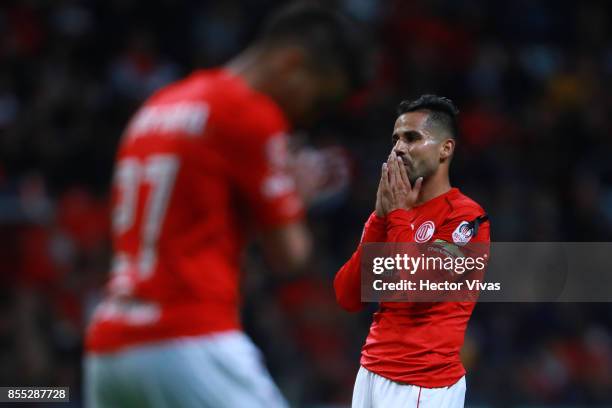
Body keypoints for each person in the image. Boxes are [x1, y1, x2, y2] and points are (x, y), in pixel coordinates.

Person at [84, 3, 370, 407]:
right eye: (318, 99)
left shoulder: (159, 105)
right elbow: (289, 256)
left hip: (110, 348)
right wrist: (297, 197)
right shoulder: (249, 113)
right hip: (188, 341)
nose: (307, 115)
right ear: (293, 64)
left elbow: (190, 227)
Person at [334, 95, 490, 407]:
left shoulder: (466, 218)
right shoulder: (395, 212)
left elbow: (418, 289)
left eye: (412, 138)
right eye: (396, 139)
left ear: (446, 149)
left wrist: (397, 217)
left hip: (421, 382)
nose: (399, 148)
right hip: (370, 371)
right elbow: (348, 296)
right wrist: (379, 219)